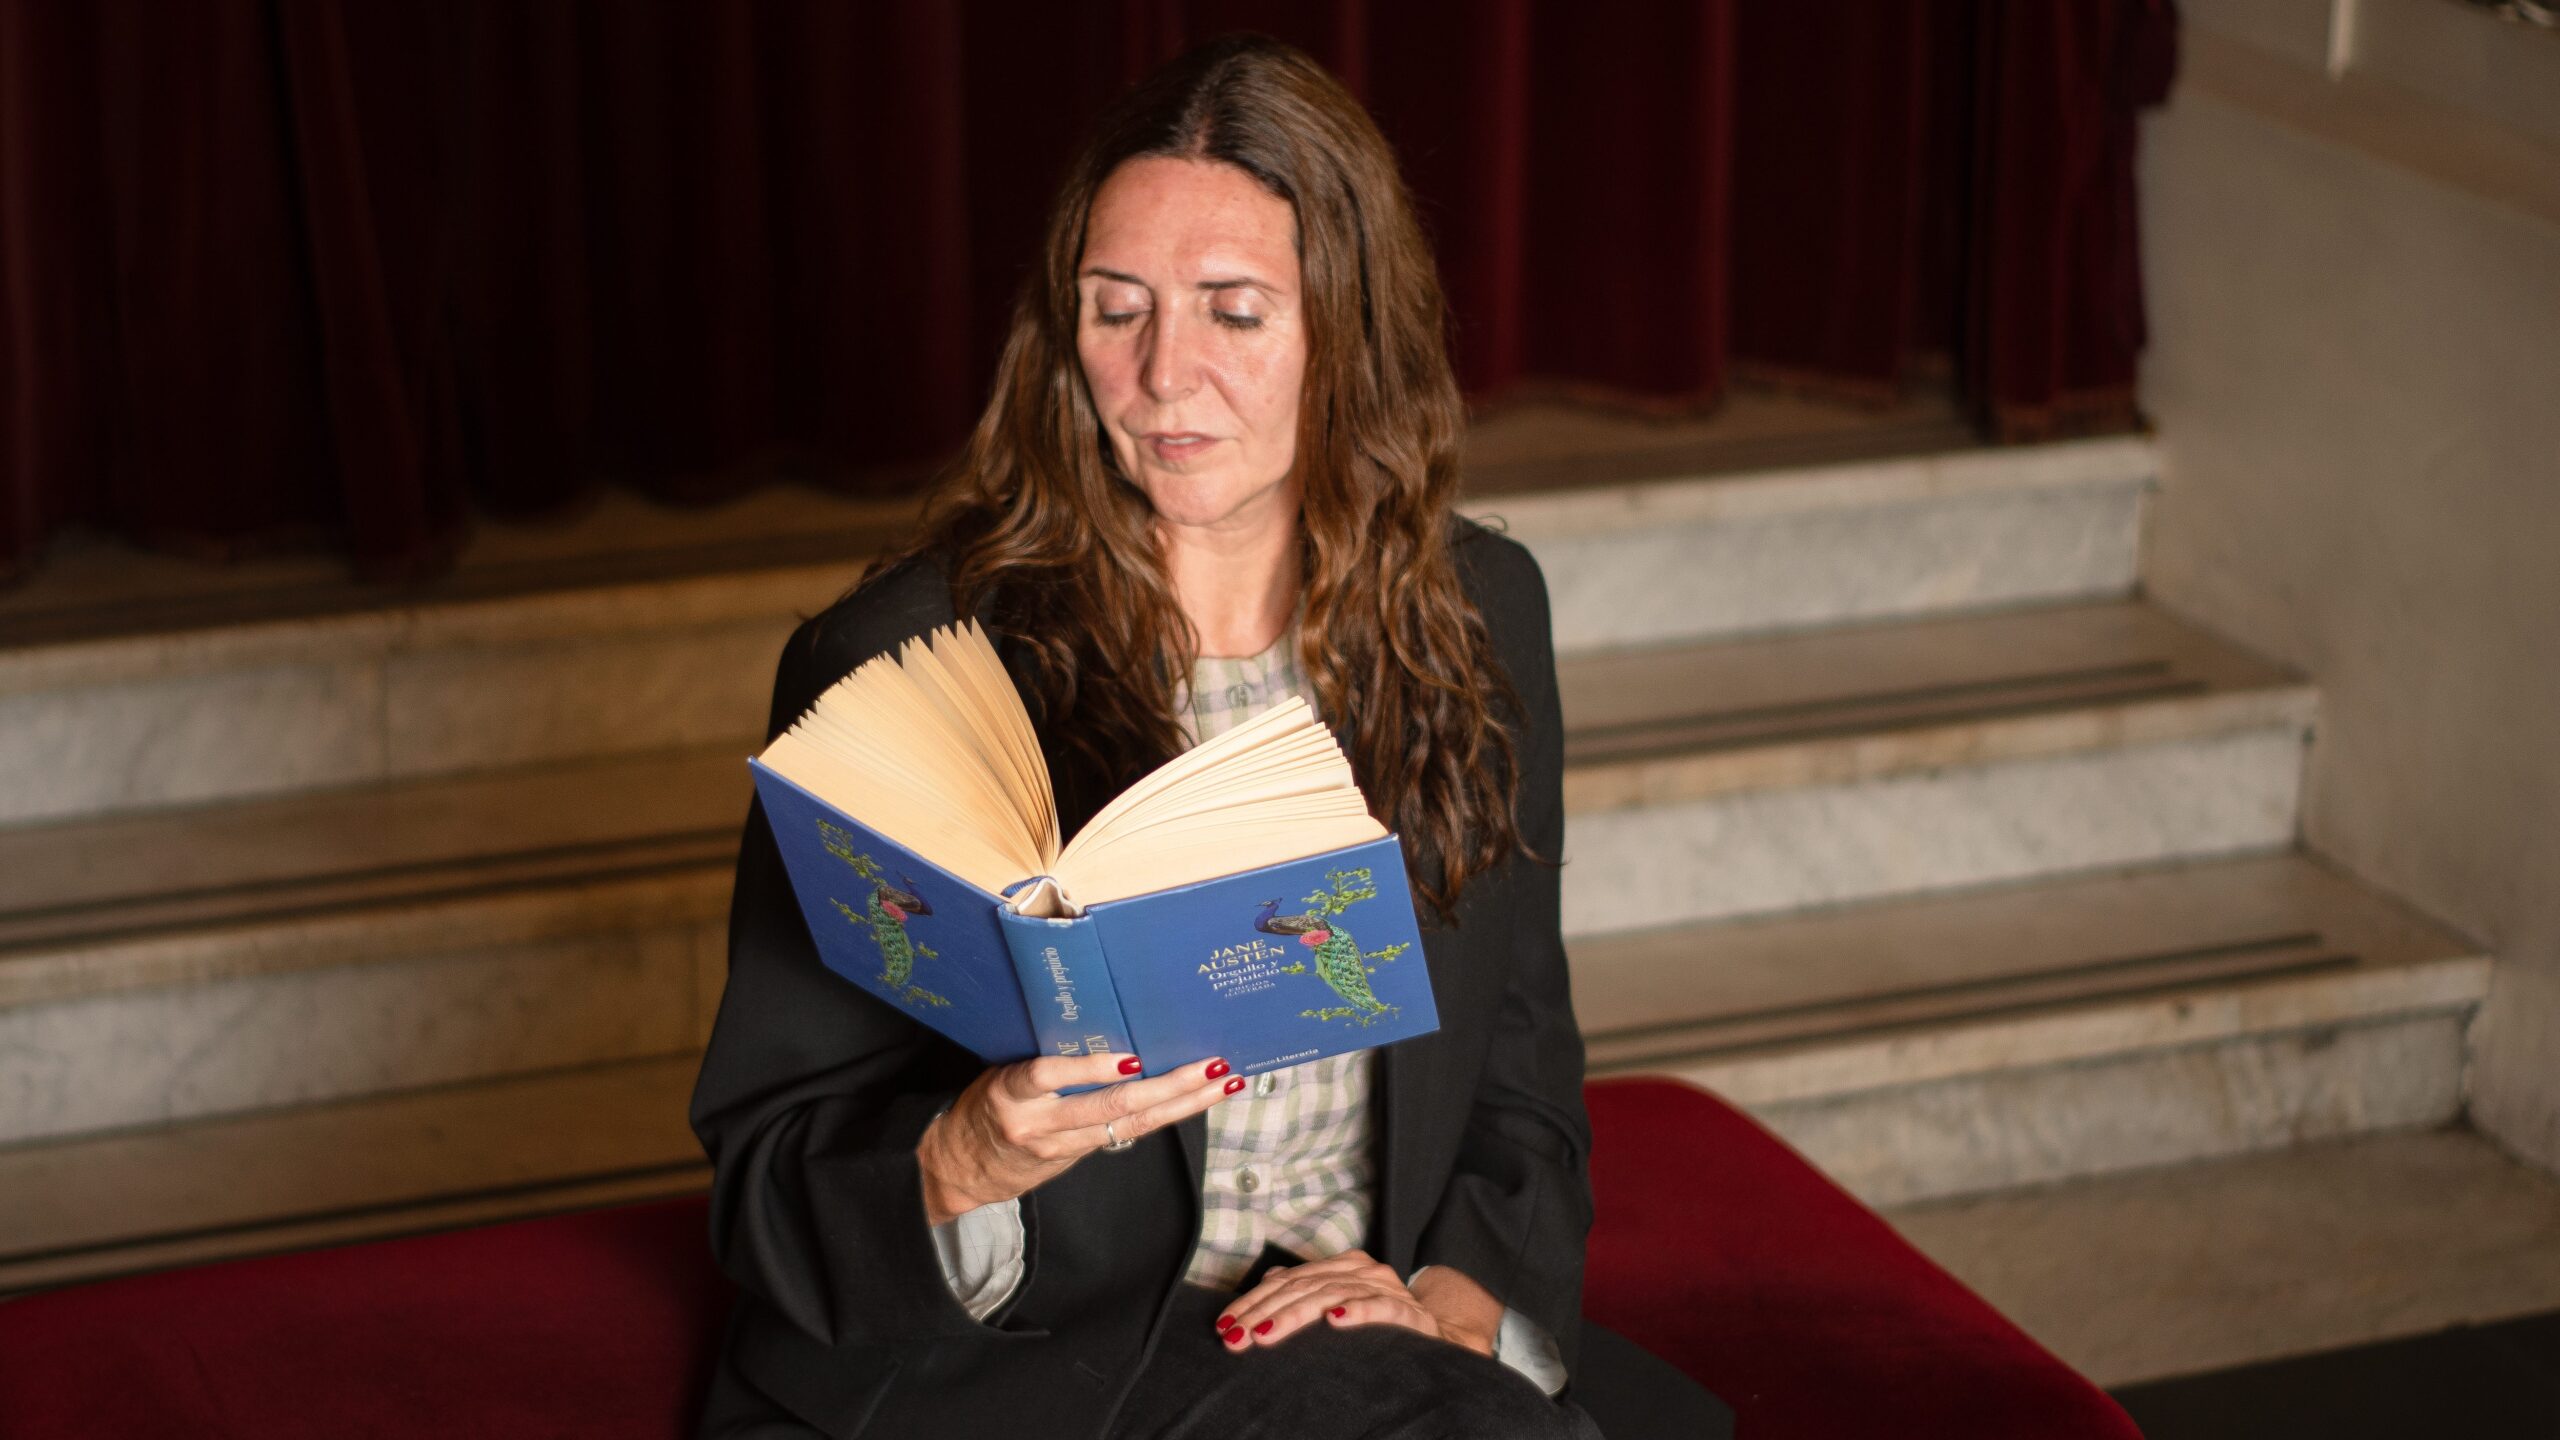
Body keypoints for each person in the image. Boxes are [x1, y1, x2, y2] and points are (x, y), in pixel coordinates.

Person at [689, 32, 1733, 1440]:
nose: (1163, 375)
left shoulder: (1478, 614)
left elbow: (1520, 1068)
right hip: (1033, 1361)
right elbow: (767, 1167)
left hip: (1362, 1329)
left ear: (1350, 333)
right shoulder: (905, 665)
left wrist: (1456, 1304)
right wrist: (961, 1159)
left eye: (1233, 313)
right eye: (1115, 309)